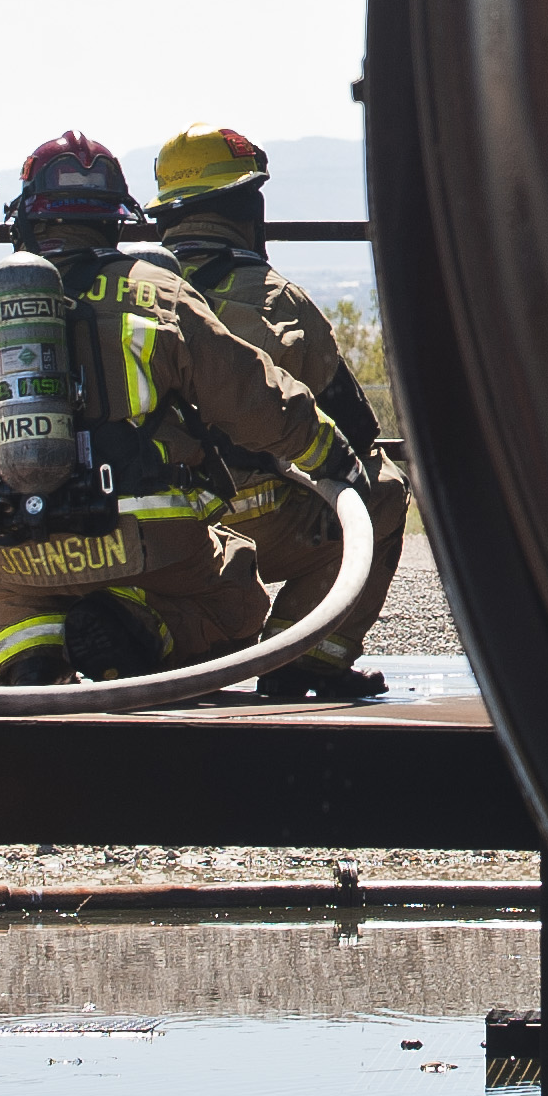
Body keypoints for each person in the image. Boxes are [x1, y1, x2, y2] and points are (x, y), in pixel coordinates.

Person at [0, 131, 367, 686]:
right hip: (139, 538)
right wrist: (326, 451)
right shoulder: (156, 293)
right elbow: (250, 395)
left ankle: (30, 656)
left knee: (8, 596)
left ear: (26, 222)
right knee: (235, 598)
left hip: (5, 541)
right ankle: (138, 625)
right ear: (115, 222)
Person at [147, 122, 409, 700]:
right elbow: (355, 431)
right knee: (385, 490)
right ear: (248, 208)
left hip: (148, 532)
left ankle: (183, 641)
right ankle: (308, 658)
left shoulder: (131, 296)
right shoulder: (275, 299)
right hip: (250, 524)